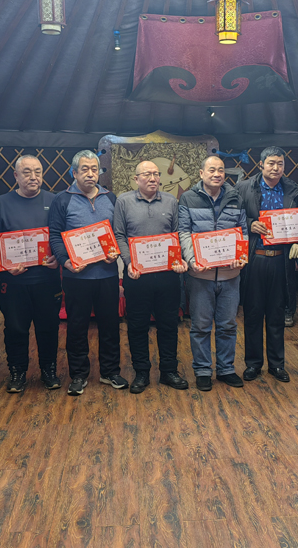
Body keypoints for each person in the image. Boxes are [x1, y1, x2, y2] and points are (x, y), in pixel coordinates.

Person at [48, 150, 126, 396]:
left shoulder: (110, 197)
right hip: (76, 276)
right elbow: (55, 235)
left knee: (110, 325)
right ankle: (79, 375)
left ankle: (110, 371)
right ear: (74, 172)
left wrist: (115, 253)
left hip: (107, 274)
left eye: (95, 169)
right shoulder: (62, 200)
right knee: (77, 326)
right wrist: (65, 262)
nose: (91, 174)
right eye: (85, 169)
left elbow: (118, 233)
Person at [0, 155, 62, 394]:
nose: (33, 177)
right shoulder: (0, 204)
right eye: (27, 172)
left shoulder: (55, 201)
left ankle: (49, 370)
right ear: (16, 176)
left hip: (47, 280)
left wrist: (59, 258)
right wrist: (4, 263)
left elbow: (63, 235)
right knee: (15, 329)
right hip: (14, 281)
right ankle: (17, 372)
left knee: (48, 328)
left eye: (38, 171)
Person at [113, 160, 189, 394]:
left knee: (169, 324)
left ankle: (169, 371)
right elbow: (119, 235)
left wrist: (178, 259)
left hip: (167, 276)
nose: (153, 178)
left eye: (156, 174)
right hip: (137, 276)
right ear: (136, 179)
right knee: (137, 326)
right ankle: (141, 372)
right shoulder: (123, 201)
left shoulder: (170, 201)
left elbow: (176, 234)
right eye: (147, 174)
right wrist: (129, 263)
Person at [178, 156, 248, 391]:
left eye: (220, 170)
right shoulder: (188, 198)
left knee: (228, 325)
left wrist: (241, 256)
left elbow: (242, 231)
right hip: (200, 275)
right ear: (201, 173)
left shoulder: (235, 197)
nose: (217, 174)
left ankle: (226, 368)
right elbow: (184, 232)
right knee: (200, 326)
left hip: (231, 274)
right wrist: (192, 260)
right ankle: (202, 370)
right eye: (211, 170)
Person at [236, 146, 298, 383]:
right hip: (255, 257)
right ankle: (253, 364)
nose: (276, 168)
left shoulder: (292, 189)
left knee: (277, 313)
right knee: (253, 313)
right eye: (271, 163)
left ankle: (277, 364)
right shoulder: (244, 187)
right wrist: (250, 223)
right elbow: (233, 217)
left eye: (280, 164)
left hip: (281, 259)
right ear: (261, 164)